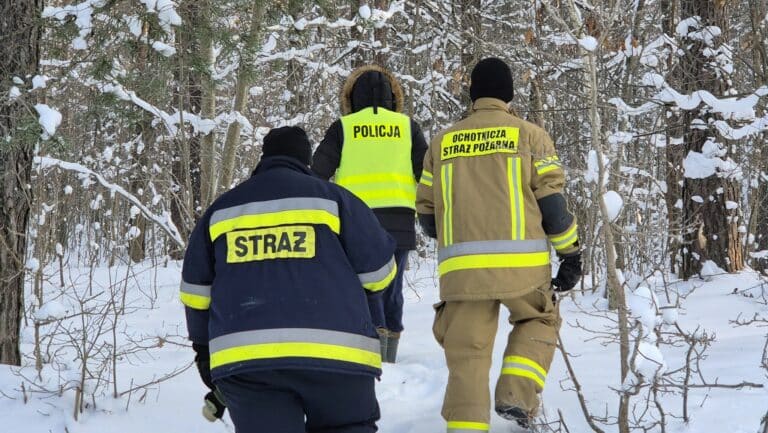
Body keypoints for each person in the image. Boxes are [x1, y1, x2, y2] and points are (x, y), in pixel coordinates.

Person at [180, 126, 397, 433]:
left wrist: (204, 352)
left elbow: (195, 292)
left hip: (247, 363)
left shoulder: (222, 211)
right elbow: (380, 273)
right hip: (338, 357)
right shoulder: (336, 201)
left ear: (264, 158)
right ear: (306, 160)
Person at [416, 58, 582, 432]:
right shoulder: (530, 136)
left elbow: (427, 218)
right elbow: (552, 208)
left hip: (461, 273)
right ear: (508, 94)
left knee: (467, 355)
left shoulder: (441, 142)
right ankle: (516, 396)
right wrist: (570, 253)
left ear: (473, 94)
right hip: (522, 271)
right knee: (540, 317)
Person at [312, 64, 428, 363]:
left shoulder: (344, 128)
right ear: (394, 96)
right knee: (393, 288)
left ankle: (366, 351)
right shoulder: (407, 127)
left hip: (355, 223)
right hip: (399, 222)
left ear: (351, 97)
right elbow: (427, 175)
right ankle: (388, 355)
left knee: (362, 288)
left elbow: (317, 175)